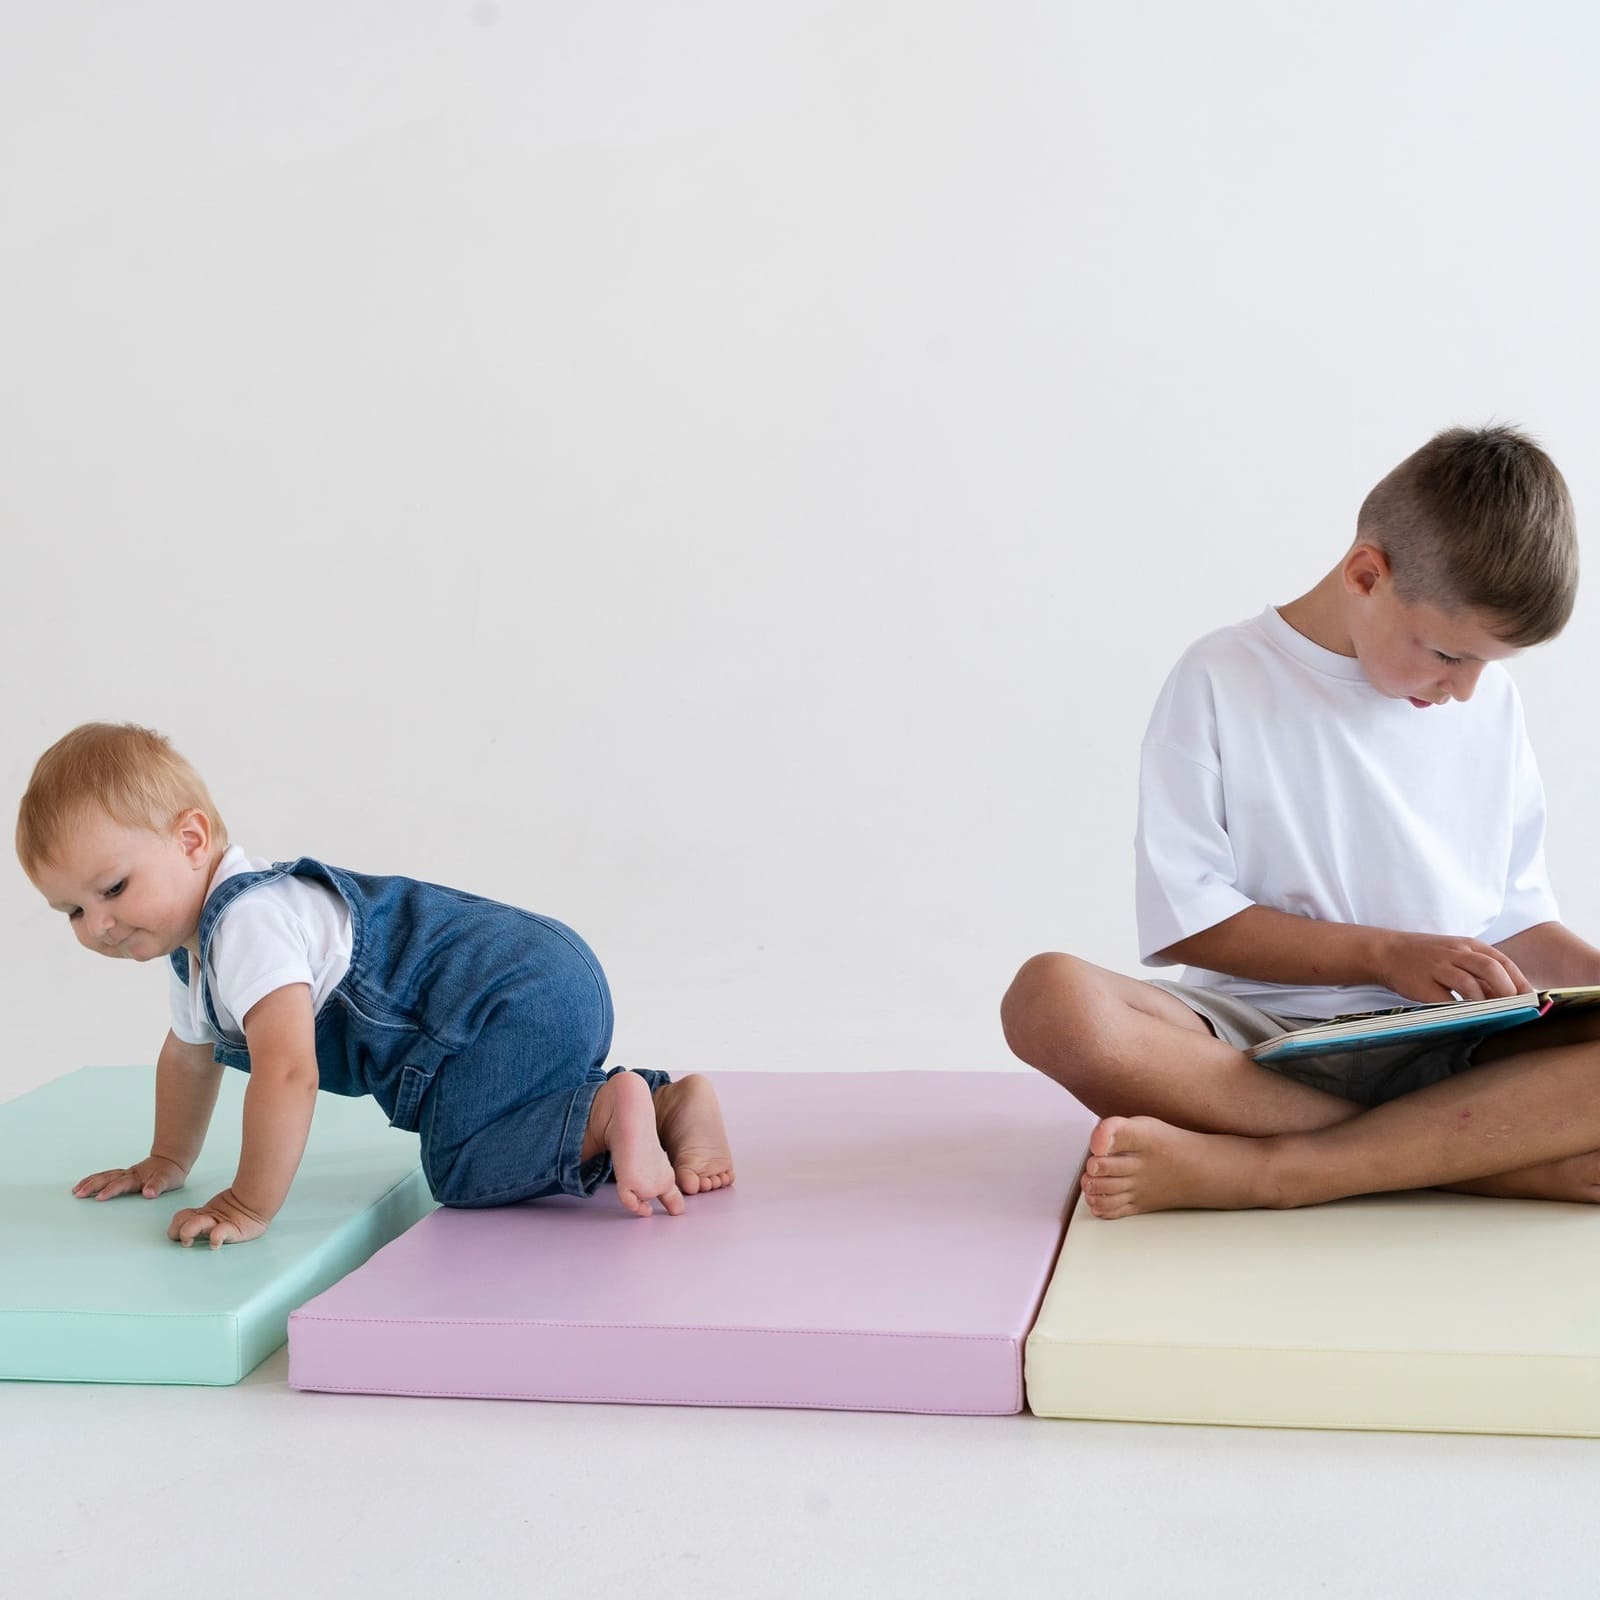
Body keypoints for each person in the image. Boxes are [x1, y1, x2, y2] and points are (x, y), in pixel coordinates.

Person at [1001, 424, 1600, 1218]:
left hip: (1454, 1043)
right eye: (1449, 656)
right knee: (1049, 1001)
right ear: (1366, 575)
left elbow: (1517, 923)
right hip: (1252, 1041)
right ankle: (1471, 1160)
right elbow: (1191, 921)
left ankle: (1289, 1166)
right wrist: (1384, 954)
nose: (1464, 689)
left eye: (1488, 664)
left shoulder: (1489, 706)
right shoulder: (1223, 676)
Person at [16, 723, 734, 1247]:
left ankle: (609, 1112)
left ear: (192, 841)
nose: (98, 924)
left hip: (508, 998)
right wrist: (168, 1160)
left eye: (113, 888)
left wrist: (248, 1203)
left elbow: (288, 1071)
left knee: (459, 1167)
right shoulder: (197, 950)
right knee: (492, 1118)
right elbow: (187, 1054)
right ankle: (667, 1105)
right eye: (72, 910)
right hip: (527, 984)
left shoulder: (248, 924)